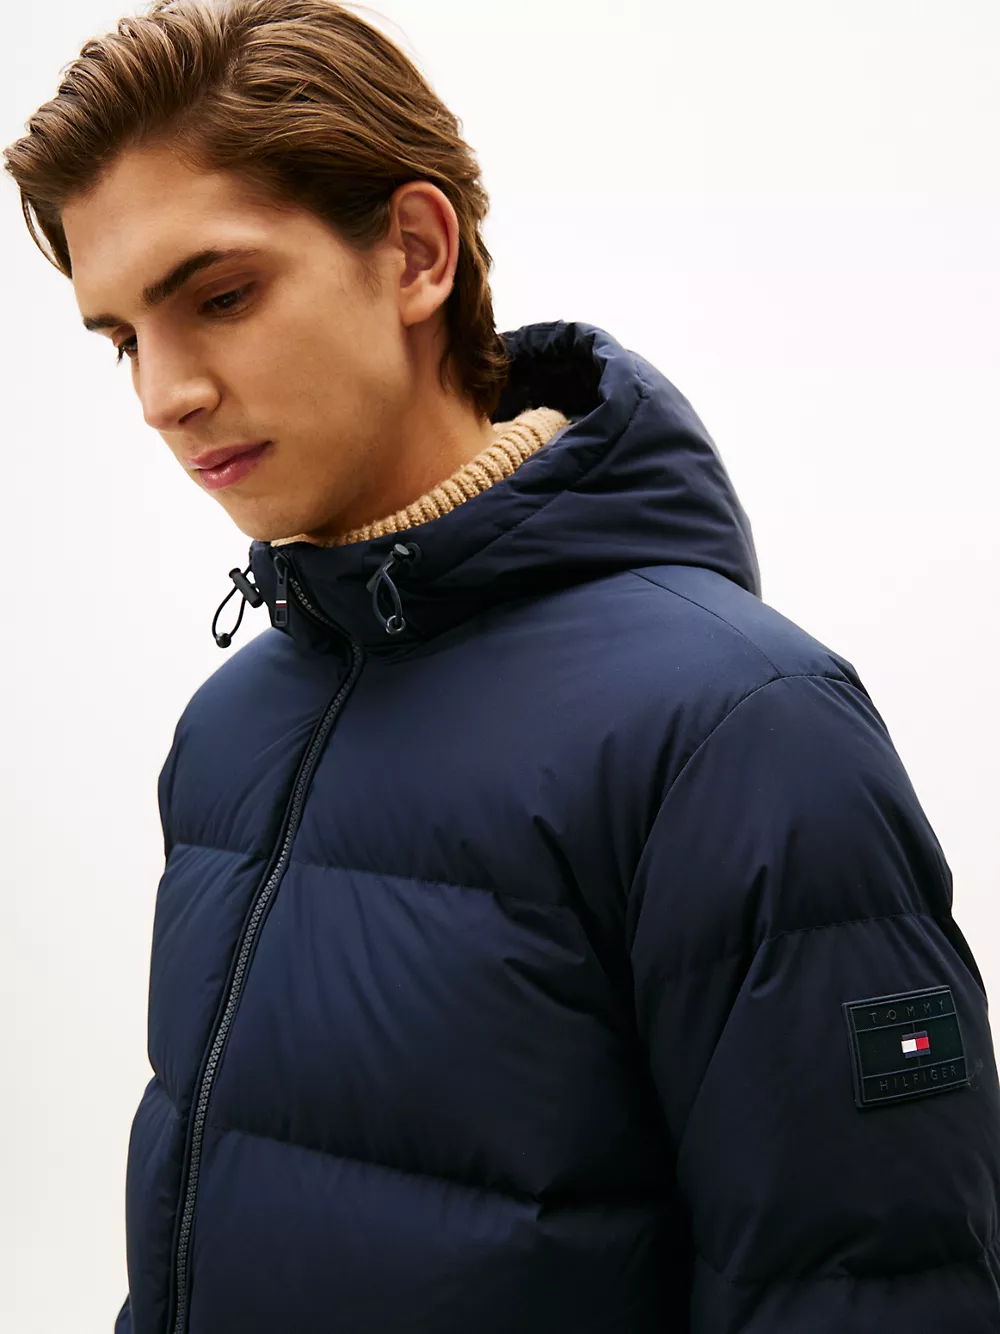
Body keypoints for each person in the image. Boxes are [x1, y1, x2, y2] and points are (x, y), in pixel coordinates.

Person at [6, 1, 1000, 1331]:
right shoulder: (231, 729)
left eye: (222, 296)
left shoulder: (741, 730)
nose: (163, 395)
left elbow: (865, 1291)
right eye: (126, 337)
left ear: (416, 253)